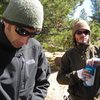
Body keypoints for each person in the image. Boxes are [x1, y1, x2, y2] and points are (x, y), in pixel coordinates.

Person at [0, 0, 50, 100]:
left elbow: (42, 83)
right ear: (6, 22)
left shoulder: (35, 48)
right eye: (22, 31)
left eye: (32, 34)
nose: (25, 42)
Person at [56, 19, 100, 100]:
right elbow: (60, 78)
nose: (83, 35)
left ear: (89, 34)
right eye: (79, 32)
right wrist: (78, 74)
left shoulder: (97, 50)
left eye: (86, 32)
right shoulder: (69, 55)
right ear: (74, 36)